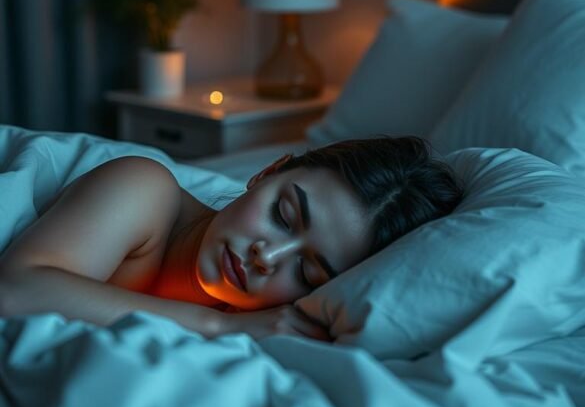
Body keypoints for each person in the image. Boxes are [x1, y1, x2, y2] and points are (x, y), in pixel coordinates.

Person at [0, 136, 463, 343]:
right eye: (282, 216)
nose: (267, 256)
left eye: (306, 271)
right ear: (266, 173)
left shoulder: (271, 324)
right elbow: (16, 289)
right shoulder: (144, 188)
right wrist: (217, 327)